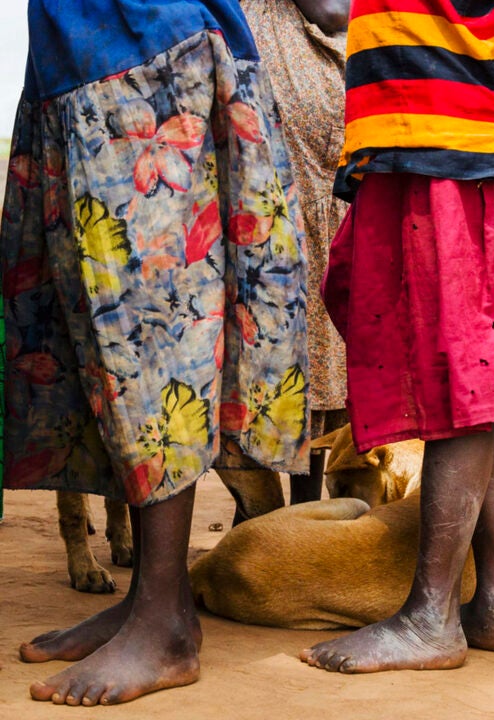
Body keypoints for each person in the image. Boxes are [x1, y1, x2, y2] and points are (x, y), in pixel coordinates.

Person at [3, 0, 308, 705]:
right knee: (101, 337)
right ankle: (148, 596)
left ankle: (166, 622)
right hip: (83, 57)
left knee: (152, 334)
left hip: (147, 55)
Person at [305, 0, 494, 673]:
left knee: (463, 381)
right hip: (415, 140)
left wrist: (479, 59)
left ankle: (431, 617)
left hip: (464, 147)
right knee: (470, 380)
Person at [237, 0, 351, 506]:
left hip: (323, 163)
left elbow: (334, 12)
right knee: (281, 327)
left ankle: (294, 515)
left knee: (317, 336)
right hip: (284, 147)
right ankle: (266, 513)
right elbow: (331, 11)